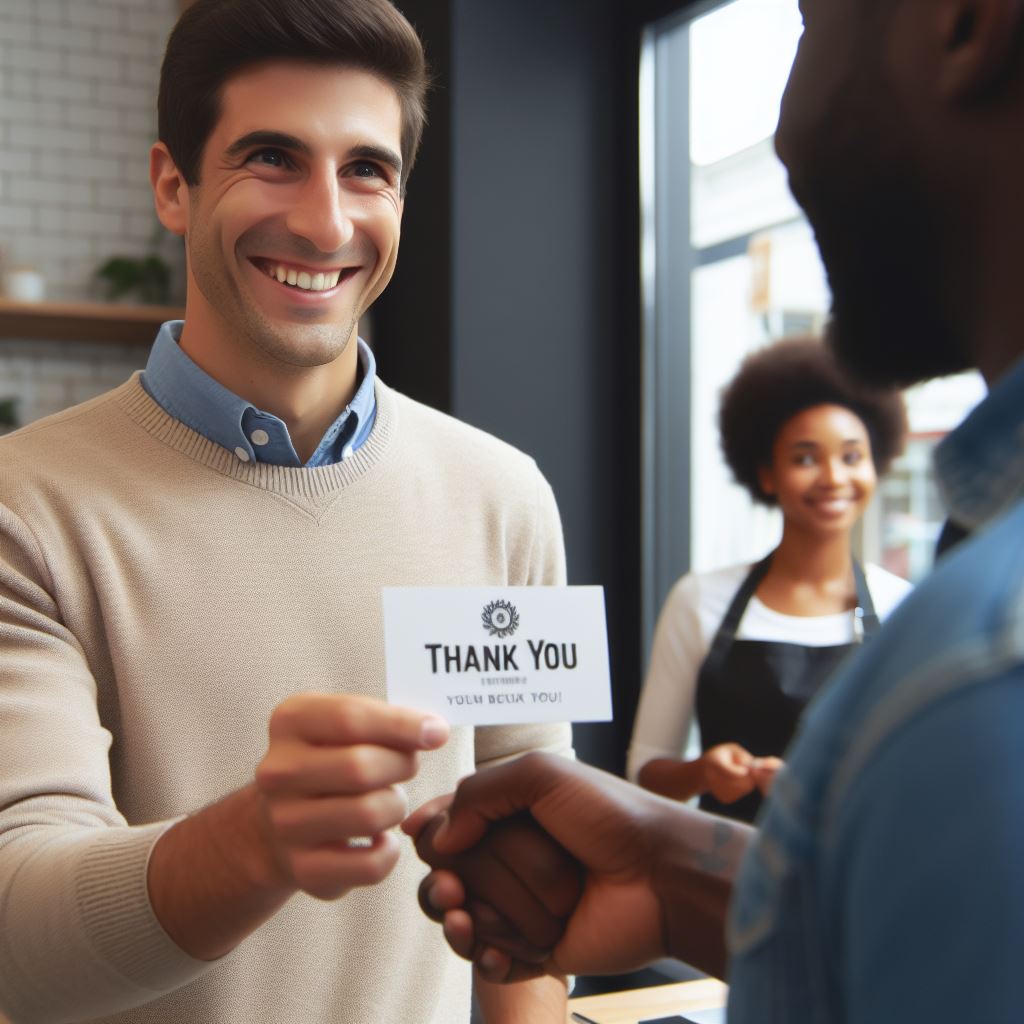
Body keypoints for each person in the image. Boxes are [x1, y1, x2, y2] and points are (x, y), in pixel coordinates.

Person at [407, 0, 1024, 1020]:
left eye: (806, 15)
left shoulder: (970, 677)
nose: (784, 125)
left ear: (961, 21)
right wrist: (679, 874)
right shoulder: (945, 641)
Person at [0, 1, 571, 1021]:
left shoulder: (504, 497)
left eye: (367, 169)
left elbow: (526, 896)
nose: (326, 222)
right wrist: (255, 842)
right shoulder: (27, 509)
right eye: (272, 157)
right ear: (172, 185)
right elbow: (18, 938)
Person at [628, 337, 910, 822]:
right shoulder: (699, 600)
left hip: (849, 882)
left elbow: (915, 775)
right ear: (766, 474)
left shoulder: (901, 605)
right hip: (722, 881)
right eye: (805, 458)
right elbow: (644, 775)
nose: (833, 478)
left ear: (876, 463)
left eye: (850, 456)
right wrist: (702, 773)